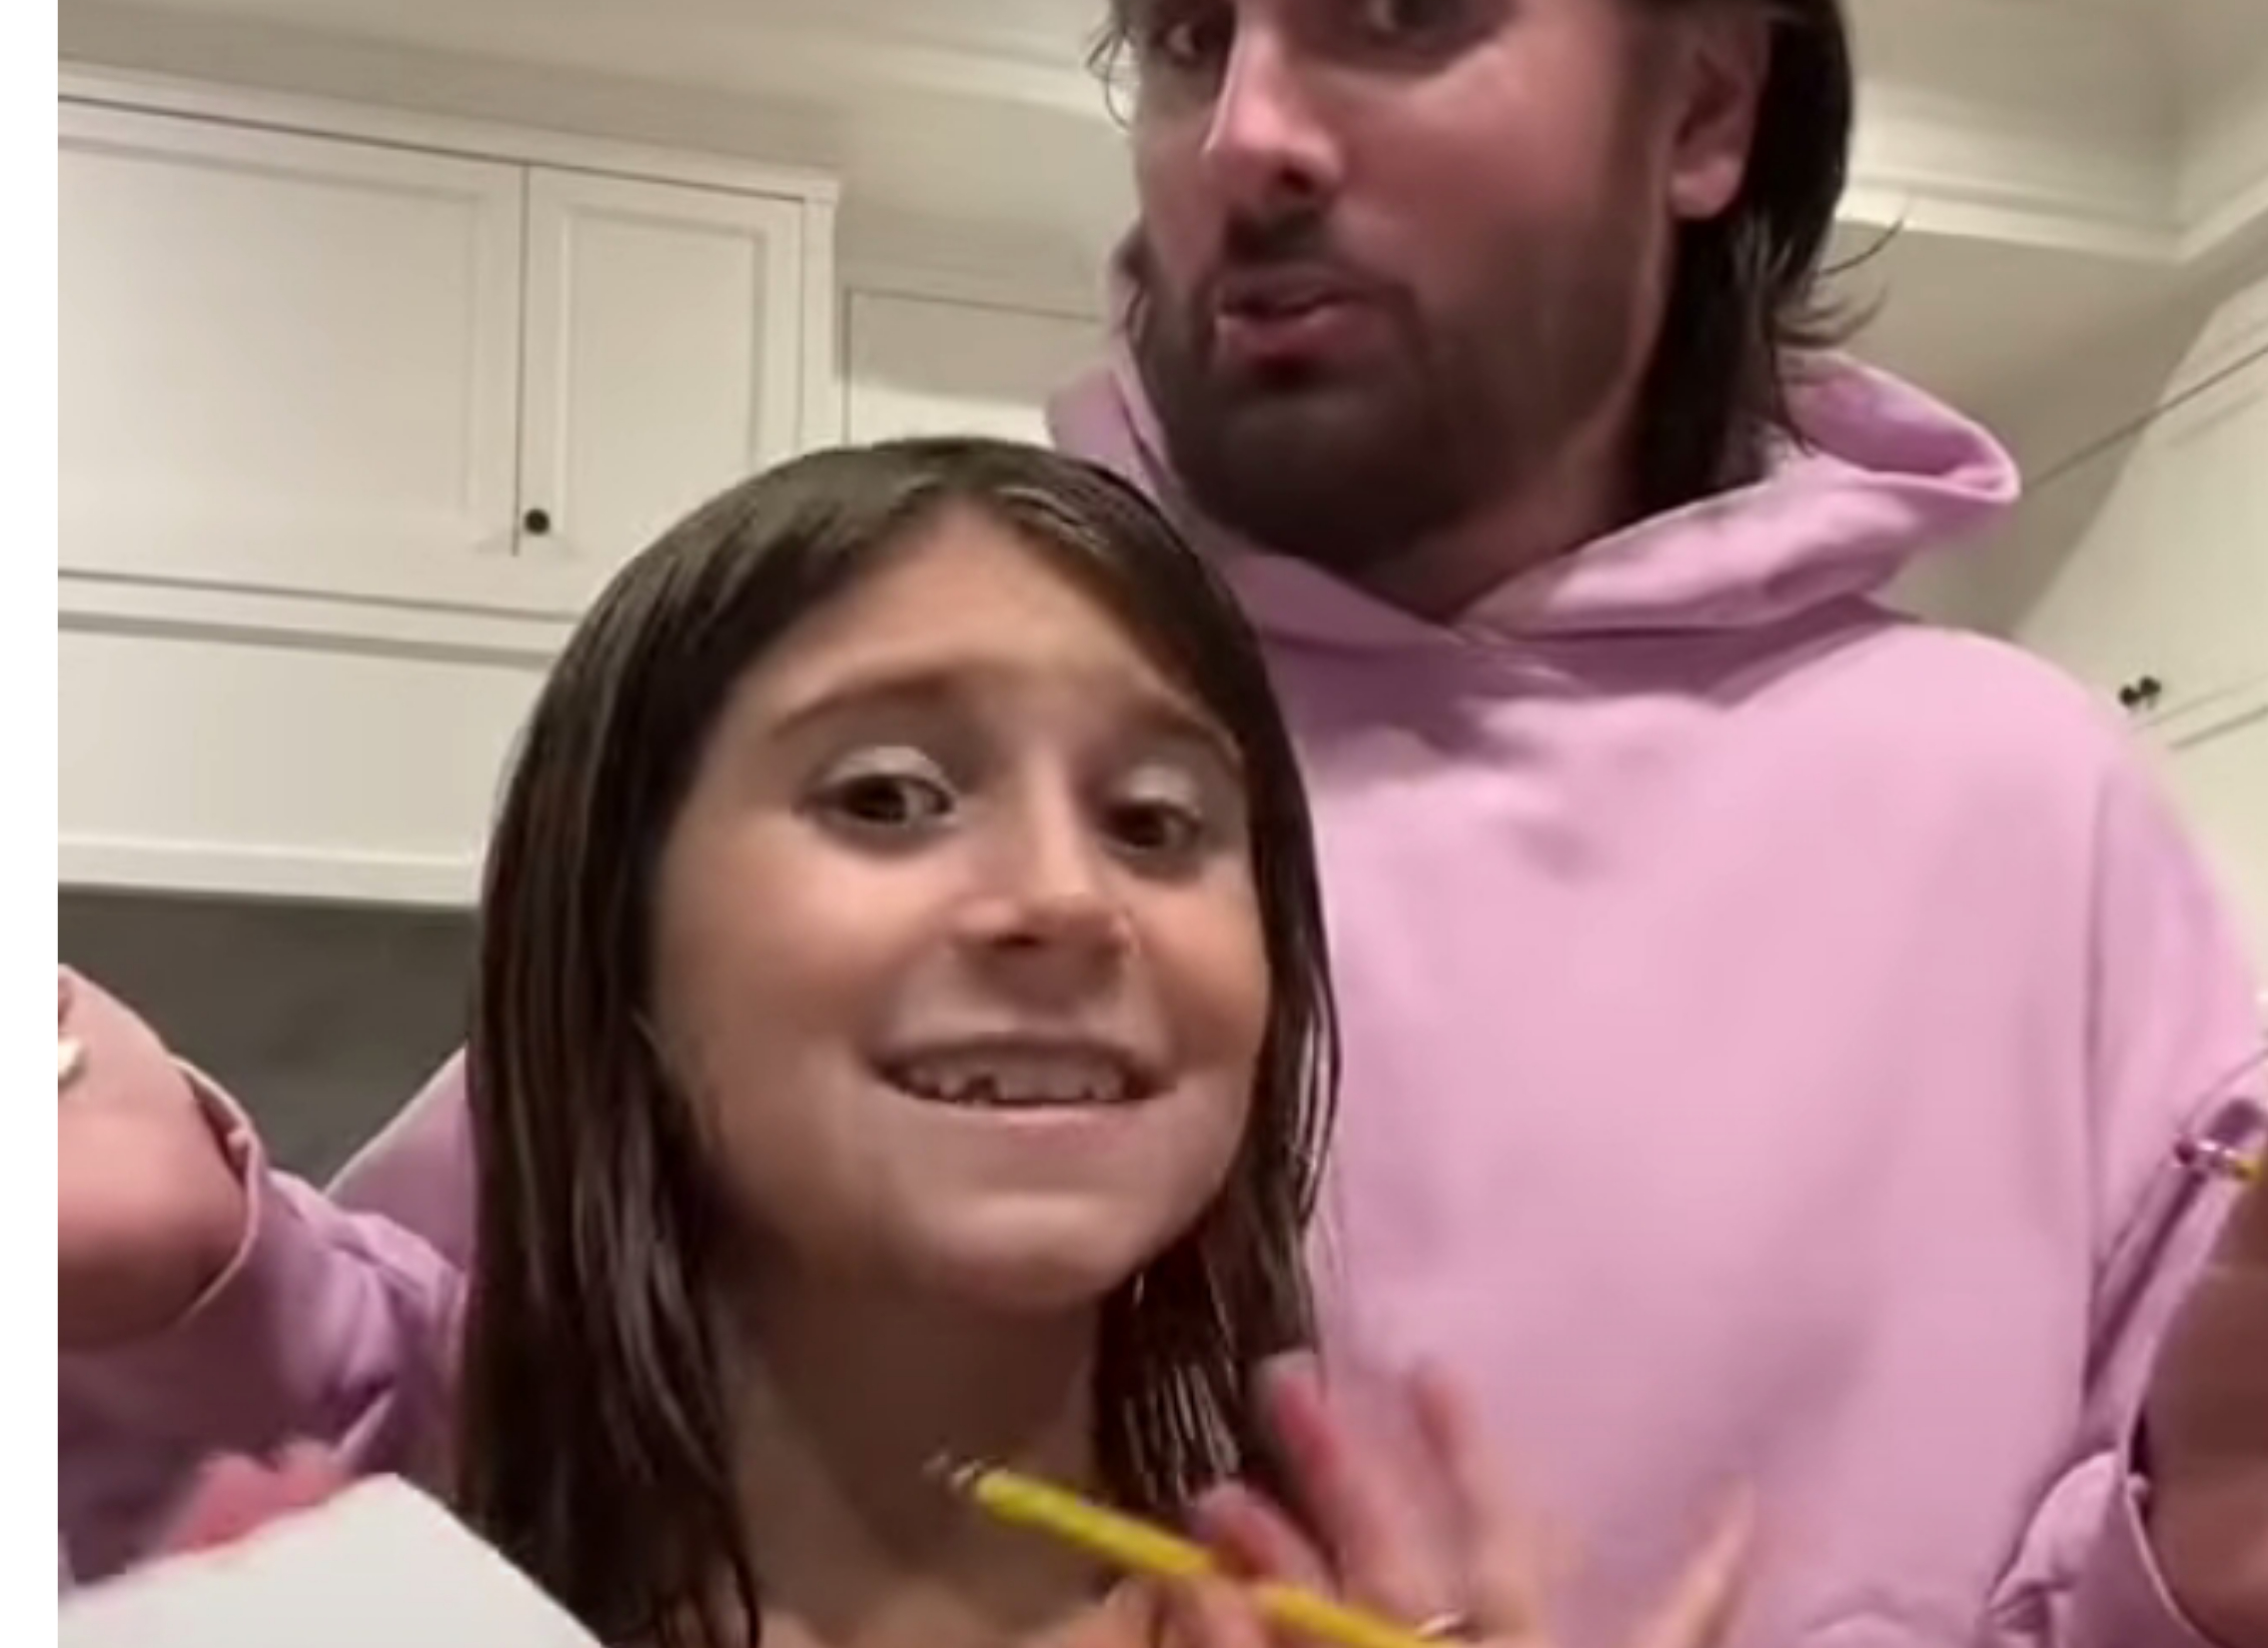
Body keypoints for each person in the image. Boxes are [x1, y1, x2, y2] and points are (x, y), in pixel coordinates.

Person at [61, 0, 2268, 1643]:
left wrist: (2215, 1592)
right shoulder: (927, 723)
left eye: (1393, 5)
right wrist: (184, 1282)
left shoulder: (2022, 806)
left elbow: (2231, 1534)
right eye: (1179, 29)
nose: (1242, 135)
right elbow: (466, 1426)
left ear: (1701, 110)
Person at [70, 437, 1752, 1648]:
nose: (1068, 900)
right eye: (886, 798)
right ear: (618, 944)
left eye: (1159, 823)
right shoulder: (348, 1604)